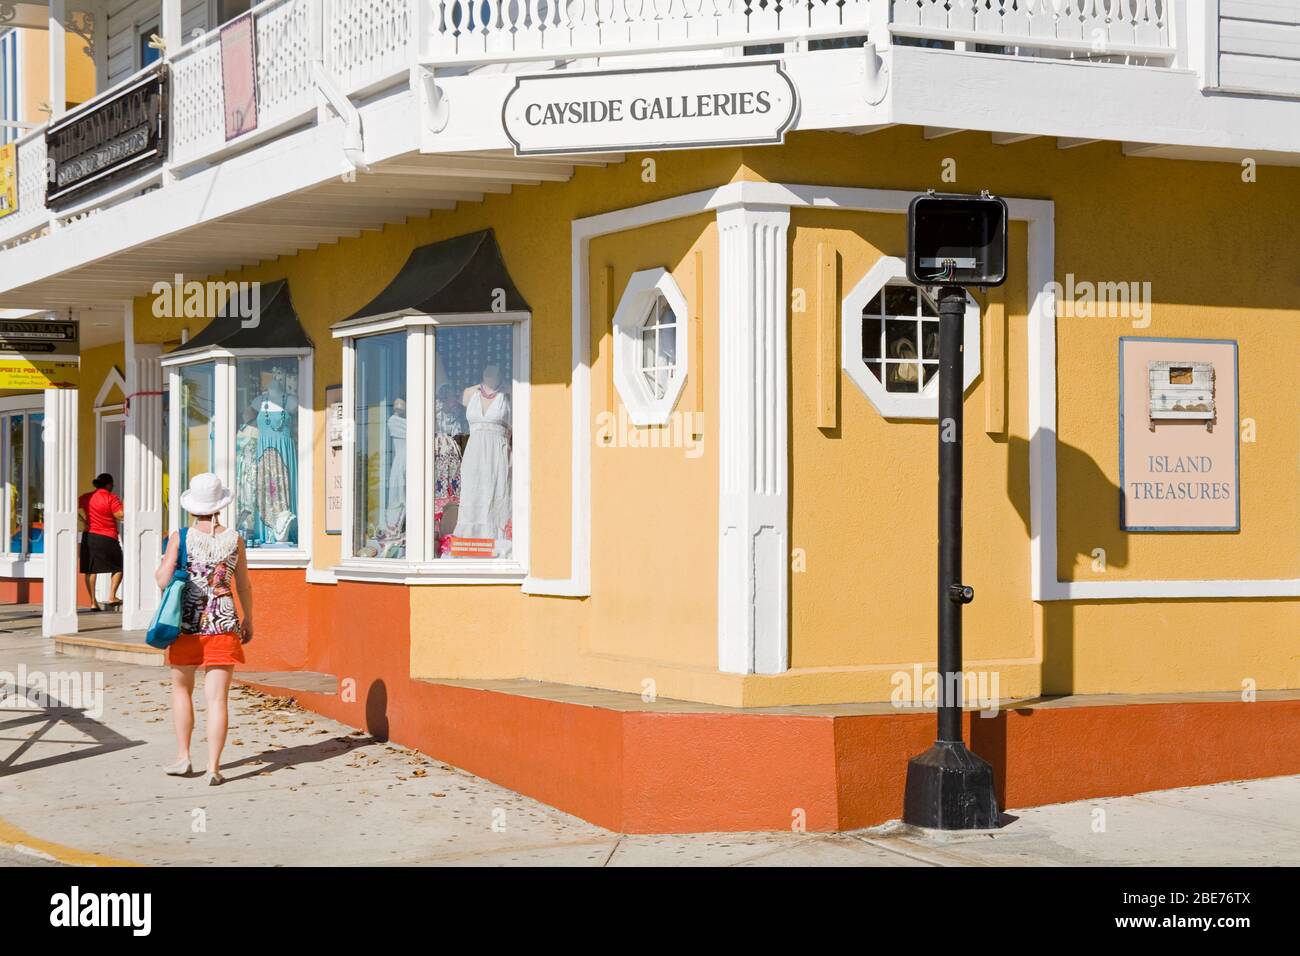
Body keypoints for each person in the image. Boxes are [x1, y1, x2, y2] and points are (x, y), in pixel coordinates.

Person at [155, 473, 254, 786]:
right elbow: (243, 584)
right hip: (224, 622)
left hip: (186, 624)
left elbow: (161, 579)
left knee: (182, 689)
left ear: (193, 506)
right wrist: (247, 618)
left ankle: (184, 757)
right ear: (219, 506)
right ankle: (213, 767)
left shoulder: (181, 536)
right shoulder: (234, 539)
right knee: (217, 700)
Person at [78, 473, 124, 611]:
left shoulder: (86, 497)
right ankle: (112, 596)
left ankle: (93, 602)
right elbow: (120, 516)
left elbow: (72, 508)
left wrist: (83, 520)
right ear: (109, 484)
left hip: (89, 536)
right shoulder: (111, 498)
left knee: (90, 570)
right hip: (107, 536)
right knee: (118, 567)